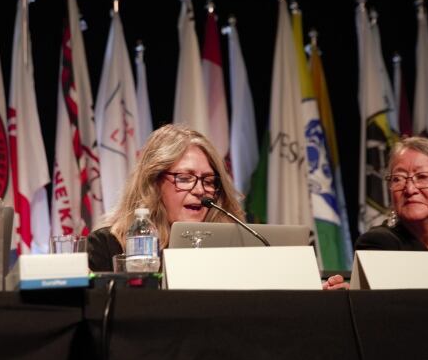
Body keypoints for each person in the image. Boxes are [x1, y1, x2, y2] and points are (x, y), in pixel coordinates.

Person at [87, 124, 347, 290]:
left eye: (209, 181)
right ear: (153, 183)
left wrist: (311, 294)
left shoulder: (234, 248)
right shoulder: (109, 246)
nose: (200, 190)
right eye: (185, 178)